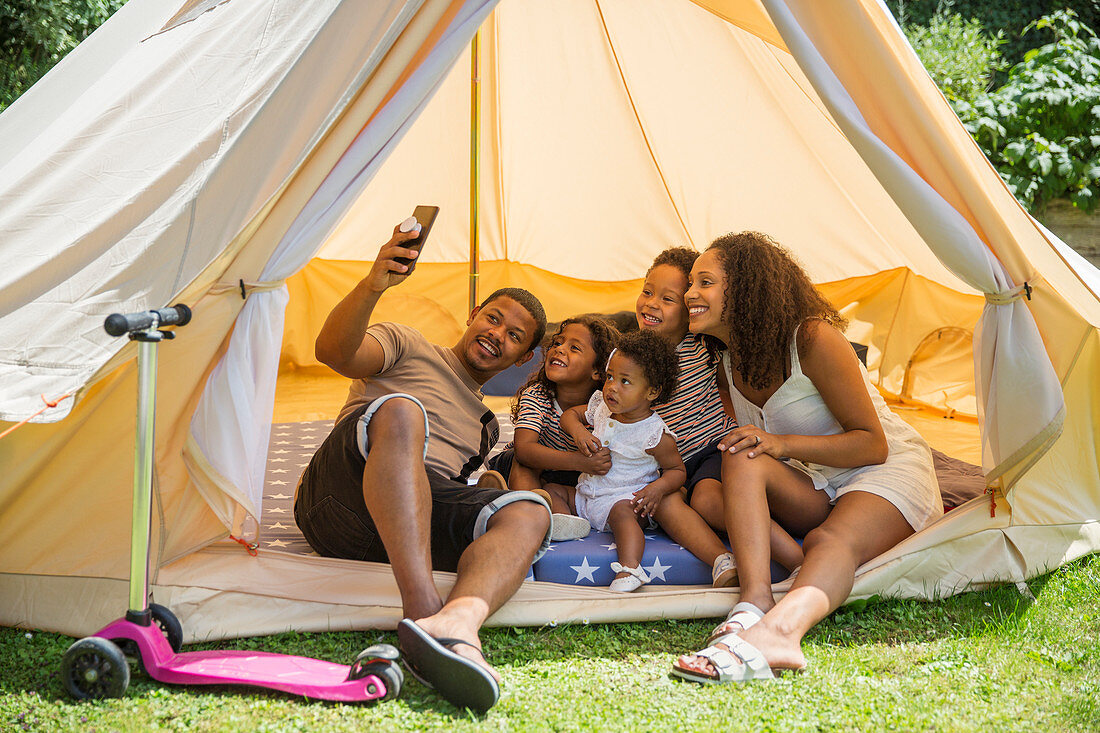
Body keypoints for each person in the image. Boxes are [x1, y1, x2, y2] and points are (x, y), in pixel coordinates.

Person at [292, 222, 552, 712]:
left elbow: (449, 495)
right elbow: (333, 351)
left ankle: (458, 624)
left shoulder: (485, 425)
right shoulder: (408, 344)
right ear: (474, 314)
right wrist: (374, 284)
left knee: (530, 511)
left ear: (526, 355)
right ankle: (421, 611)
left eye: (514, 335)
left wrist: (496, 488)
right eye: (493, 319)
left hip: (403, 523)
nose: (496, 335)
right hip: (338, 499)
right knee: (402, 411)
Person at [671, 232, 942, 683]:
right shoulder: (726, 361)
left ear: (745, 287)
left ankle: (779, 635)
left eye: (705, 282)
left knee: (827, 542)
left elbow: (872, 444)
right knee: (740, 452)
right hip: (817, 480)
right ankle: (753, 600)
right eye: (691, 284)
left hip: (882, 468)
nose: (689, 294)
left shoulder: (813, 338)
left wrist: (781, 445)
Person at [640, 247, 804, 585]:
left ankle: (798, 561)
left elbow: (730, 387)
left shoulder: (703, 345)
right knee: (668, 506)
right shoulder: (631, 353)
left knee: (708, 501)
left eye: (668, 299)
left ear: (690, 308)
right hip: (673, 464)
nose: (651, 303)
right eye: (647, 291)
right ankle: (721, 561)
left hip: (713, 449)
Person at [561, 330, 686, 592]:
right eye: (609, 377)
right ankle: (567, 524)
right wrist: (580, 431)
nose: (612, 387)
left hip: (625, 500)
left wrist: (658, 488)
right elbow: (569, 416)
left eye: (625, 381)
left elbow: (676, 470)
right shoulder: (602, 408)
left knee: (622, 513)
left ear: (652, 391)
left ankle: (630, 568)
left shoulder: (654, 434)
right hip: (586, 496)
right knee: (553, 491)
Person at [485, 315, 620, 541]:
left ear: (597, 371)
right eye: (557, 343)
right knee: (525, 463)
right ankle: (529, 512)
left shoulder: (604, 407)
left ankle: (548, 514)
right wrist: (579, 461)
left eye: (574, 348)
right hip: (525, 464)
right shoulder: (537, 395)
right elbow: (525, 449)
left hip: (569, 477)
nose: (559, 349)